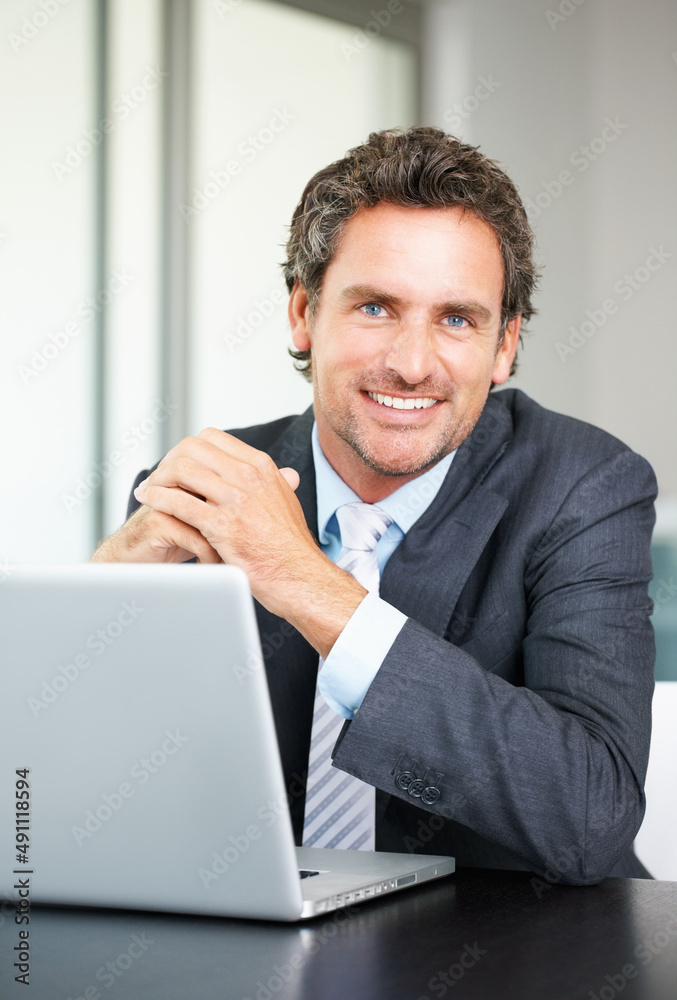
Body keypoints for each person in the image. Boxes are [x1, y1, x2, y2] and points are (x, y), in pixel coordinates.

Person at [92, 126, 656, 884]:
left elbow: (590, 816)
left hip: (520, 959)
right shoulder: (203, 488)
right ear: (303, 313)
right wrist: (93, 619)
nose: (412, 363)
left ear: (504, 346)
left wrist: (302, 579)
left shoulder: (584, 486)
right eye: (375, 308)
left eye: (456, 319)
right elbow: (79, 801)